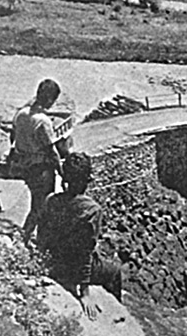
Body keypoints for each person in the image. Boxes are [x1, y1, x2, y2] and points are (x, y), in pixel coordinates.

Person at [37, 152, 121, 319]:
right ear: (87, 180)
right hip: (72, 268)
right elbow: (84, 252)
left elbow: (42, 237)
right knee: (115, 270)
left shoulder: (51, 200)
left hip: (52, 262)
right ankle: (117, 310)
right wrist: (84, 292)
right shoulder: (92, 210)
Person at [10, 78, 68, 244]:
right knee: (41, 206)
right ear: (49, 99)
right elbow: (51, 151)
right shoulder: (43, 121)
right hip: (41, 168)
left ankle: (29, 237)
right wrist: (62, 172)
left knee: (36, 203)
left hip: (25, 165)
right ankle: (25, 237)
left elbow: (13, 137)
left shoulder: (21, 114)